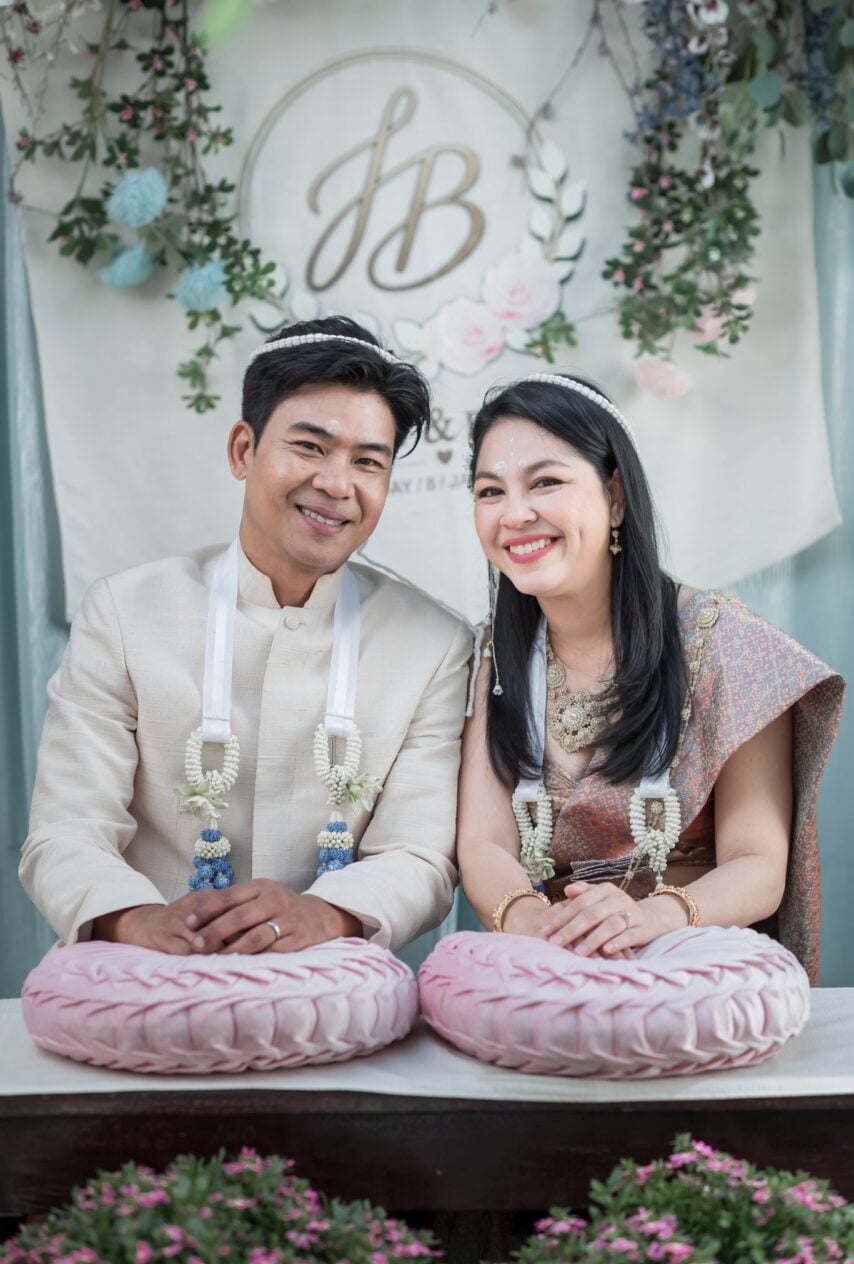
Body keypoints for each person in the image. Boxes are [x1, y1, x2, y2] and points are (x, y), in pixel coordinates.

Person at [20, 317, 472, 957]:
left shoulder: (433, 645)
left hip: (330, 988)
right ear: (242, 450)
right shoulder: (126, 613)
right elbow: (67, 831)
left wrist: (324, 915)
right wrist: (135, 922)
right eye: (310, 447)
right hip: (146, 978)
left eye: (368, 462)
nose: (337, 484)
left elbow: (419, 852)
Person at [457, 373, 844, 983]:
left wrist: (646, 919)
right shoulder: (492, 655)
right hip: (555, 962)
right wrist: (539, 927)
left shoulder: (726, 644)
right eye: (489, 491)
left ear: (615, 496)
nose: (515, 514)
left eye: (546, 482)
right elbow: (483, 843)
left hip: (692, 961)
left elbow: (758, 865)